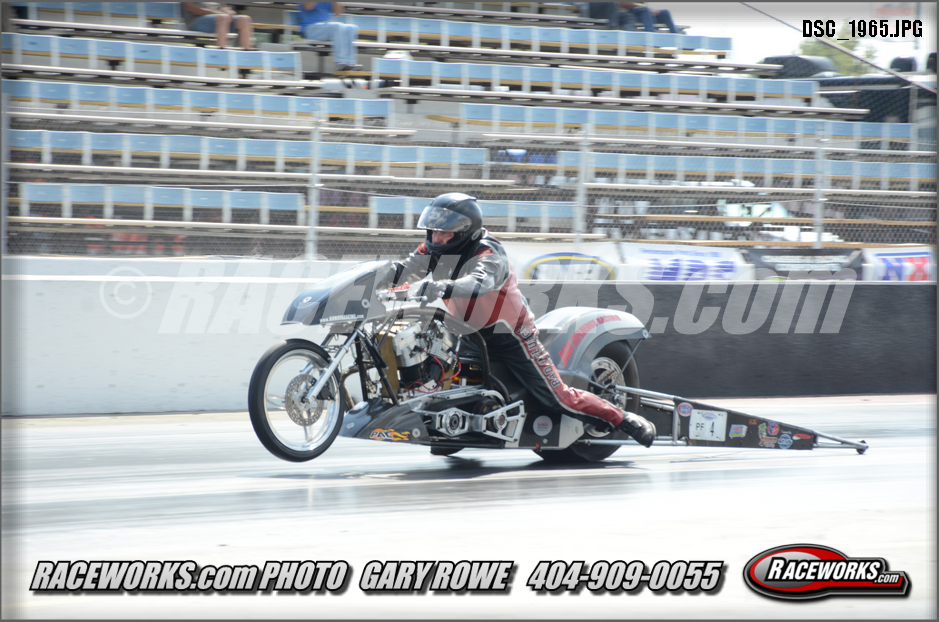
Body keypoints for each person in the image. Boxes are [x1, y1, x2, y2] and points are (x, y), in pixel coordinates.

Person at [381, 193, 657, 448]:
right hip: (465, 332)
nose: (437, 238)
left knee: (556, 397)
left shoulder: (488, 252)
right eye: (433, 231)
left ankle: (621, 418)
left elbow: (479, 282)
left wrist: (441, 287)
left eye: (444, 232)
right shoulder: (431, 250)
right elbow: (403, 270)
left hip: (510, 336)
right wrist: (373, 276)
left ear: (464, 231)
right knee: (429, 360)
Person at [297, 3, 360, 72]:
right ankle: (341, 62)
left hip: (326, 28)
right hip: (310, 29)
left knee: (351, 28)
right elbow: (308, 6)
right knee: (337, 26)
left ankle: (350, 62)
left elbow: (338, 13)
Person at [180, 3, 255, 49]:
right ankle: (221, 51)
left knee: (244, 19)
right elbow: (191, 8)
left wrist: (229, 12)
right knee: (223, 18)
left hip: (219, 19)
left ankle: (247, 53)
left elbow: (224, 9)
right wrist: (218, 13)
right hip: (196, 21)